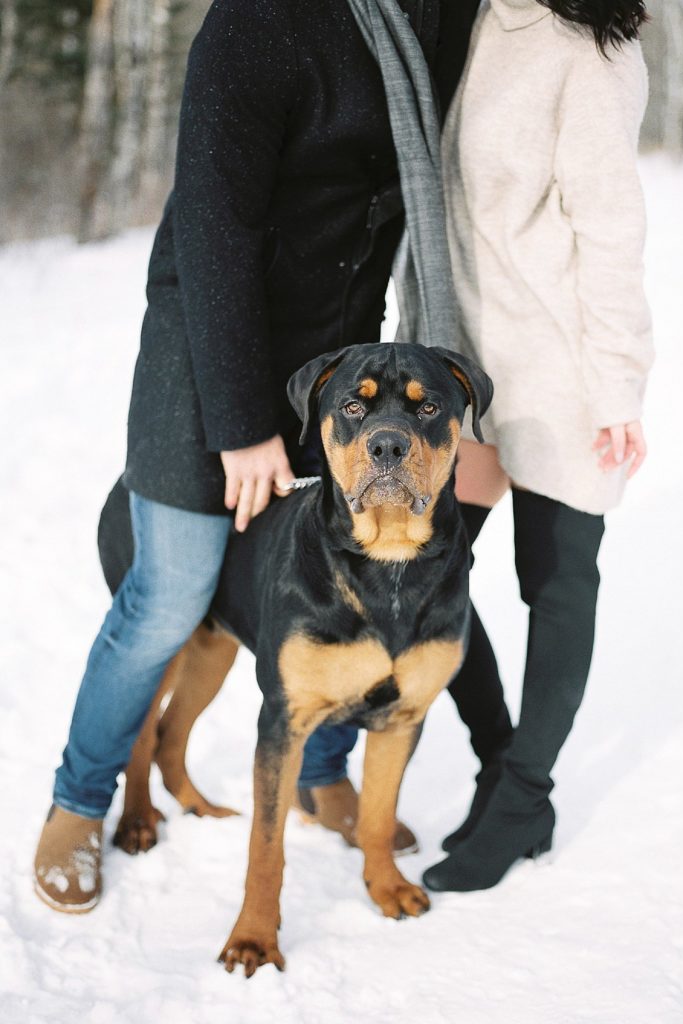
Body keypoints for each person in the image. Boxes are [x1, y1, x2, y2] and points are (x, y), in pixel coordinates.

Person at [33, 0, 480, 913]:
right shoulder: (261, 18)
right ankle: (77, 804)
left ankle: (323, 778)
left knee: (336, 590)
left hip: (334, 365)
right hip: (210, 354)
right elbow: (213, 225)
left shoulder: (442, 18)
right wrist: (241, 424)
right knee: (174, 592)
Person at [421, 0, 654, 892]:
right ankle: (496, 761)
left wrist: (618, 381)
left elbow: (611, 229)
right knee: (432, 576)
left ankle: (525, 798)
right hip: (467, 364)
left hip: (561, 371)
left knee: (554, 588)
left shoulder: (590, 49)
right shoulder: (472, 21)